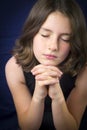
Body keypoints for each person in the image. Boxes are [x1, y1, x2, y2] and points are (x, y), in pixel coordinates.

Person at [5, 0, 87, 130]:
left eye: (65, 39)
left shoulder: (84, 71)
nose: (53, 47)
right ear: (32, 33)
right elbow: (28, 127)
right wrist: (38, 96)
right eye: (45, 35)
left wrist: (57, 98)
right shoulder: (14, 67)